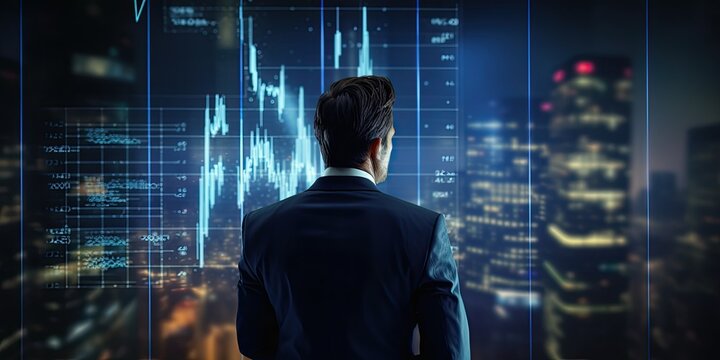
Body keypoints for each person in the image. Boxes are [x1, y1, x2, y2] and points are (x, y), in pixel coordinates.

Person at [236, 76, 470, 359]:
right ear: (376, 146)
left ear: (324, 143)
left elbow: (253, 344)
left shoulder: (260, 227)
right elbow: (451, 352)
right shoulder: (424, 230)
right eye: (391, 139)